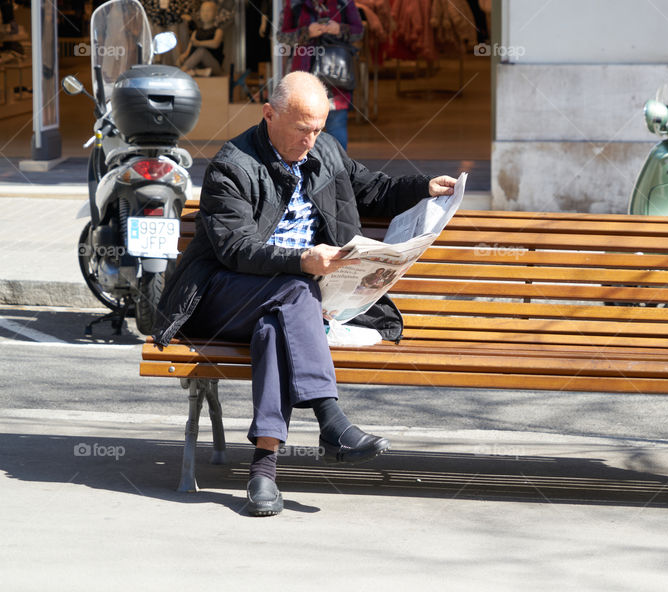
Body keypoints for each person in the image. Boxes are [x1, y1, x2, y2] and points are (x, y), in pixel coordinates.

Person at [152, 71, 456, 516]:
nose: (311, 139)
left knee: (274, 329)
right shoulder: (232, 165)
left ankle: (264, 471)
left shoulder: (326, 150)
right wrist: (301, 262)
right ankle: (330, 419)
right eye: (301, 129)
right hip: (219, 297)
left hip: (286, 303)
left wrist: (423, 187)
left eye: (317, 128)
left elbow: (370, 189)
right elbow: (236, 249)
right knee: (294, 292)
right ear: (269, 114)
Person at [278, 0, 363, 150]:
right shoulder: (295, 0)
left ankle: (338, 174)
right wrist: (306, 32)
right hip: (304, 74)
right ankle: (306, 174)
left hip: (336, 75)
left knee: (336, 124)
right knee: (302, 127)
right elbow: (281, 36)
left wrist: (339, 29)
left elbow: (358, 32)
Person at [177, 0, 224, 77]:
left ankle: (181, 73)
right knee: (182, 58)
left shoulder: (218, 31)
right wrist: (183, 56)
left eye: (208, 11)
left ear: (215, 14)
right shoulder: (196, 32)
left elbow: (215, 44)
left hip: (215, 67)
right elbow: (188, 51)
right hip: (199, 65)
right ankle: (198, 72)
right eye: (203, 11)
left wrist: (199, 43)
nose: (205, 14)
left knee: (201, 51)